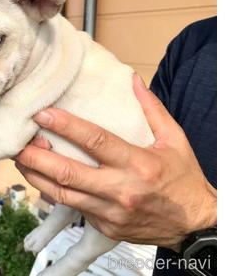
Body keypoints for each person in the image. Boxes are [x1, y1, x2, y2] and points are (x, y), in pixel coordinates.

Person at [15, 16, 217, 275]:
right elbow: (146, 139)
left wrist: (203, 219)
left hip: (169, 248)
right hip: (167, 262)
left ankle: (74, 257)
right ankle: (61, 220)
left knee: (89, 238)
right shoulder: (196, 39)